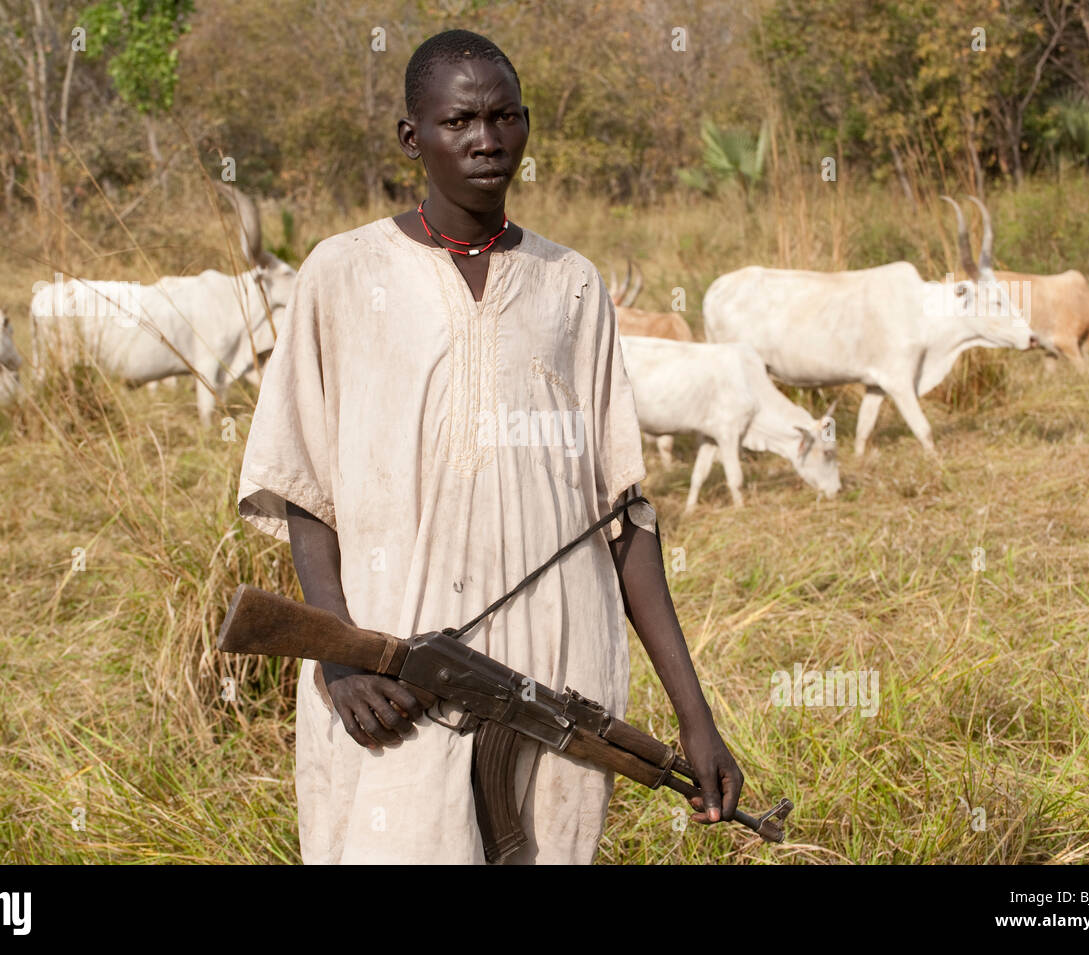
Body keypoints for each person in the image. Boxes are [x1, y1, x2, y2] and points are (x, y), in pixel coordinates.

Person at [237, 29, 743, 864]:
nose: (485, 139)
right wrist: (339, 659)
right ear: (413, 136)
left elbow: (623, 516)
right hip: (394, 671)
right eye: (459, 120)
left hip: (557, 660)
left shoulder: (572, 285)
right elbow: (304, 485)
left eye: (504, 117)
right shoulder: (341, 273)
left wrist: (696, 715)